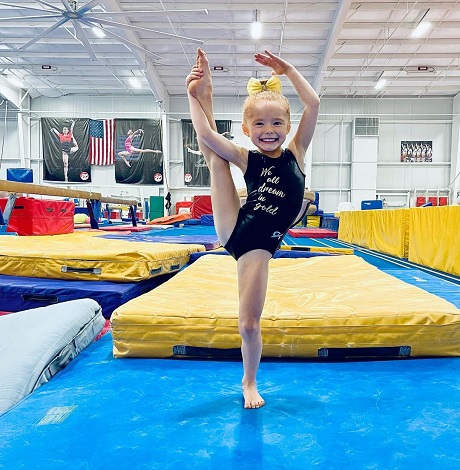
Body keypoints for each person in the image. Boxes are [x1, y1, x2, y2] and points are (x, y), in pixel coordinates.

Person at [186, 48, 320, 409]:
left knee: (248, 324)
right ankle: (207, 92)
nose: (269, 131)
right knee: (215, 160)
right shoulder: (249, 158)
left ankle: (249, 381)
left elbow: (314, 103)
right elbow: (207, 137)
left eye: (277, 123)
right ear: (247, 130)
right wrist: (192, 97)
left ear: (287, 127)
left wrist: (288, 68)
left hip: (259, 246)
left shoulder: (297, 153)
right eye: (259, 125)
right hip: (237, 229)